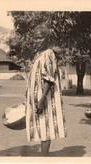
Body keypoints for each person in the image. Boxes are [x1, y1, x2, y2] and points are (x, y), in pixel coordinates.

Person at [25, 25, 67, 156]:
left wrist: (42, 98)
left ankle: (44, 158)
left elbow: (49, 79)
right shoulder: (38, 55)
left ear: (47, 38)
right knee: (41, 128)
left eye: (40, 38)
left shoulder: (48, 54)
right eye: (35, 38)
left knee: (45, 129)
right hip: (37, 97)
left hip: (44, 97)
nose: (37, 41)